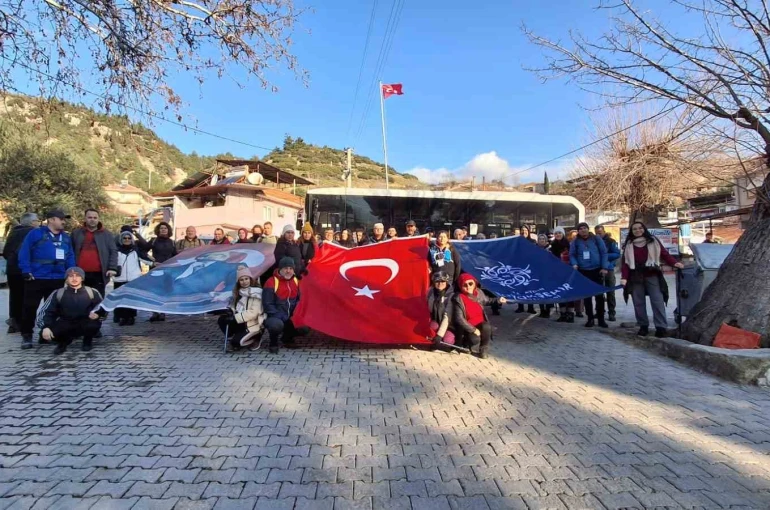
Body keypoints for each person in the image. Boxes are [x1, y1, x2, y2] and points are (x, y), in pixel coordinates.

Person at [18, 209, 76, 349]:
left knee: (54, 309)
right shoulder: (36, 233)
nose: (63, 221)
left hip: (57, 277)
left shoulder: (66, 238)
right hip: (37, 277)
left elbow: (70, 256)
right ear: (50, 220)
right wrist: (26, 270)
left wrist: (72, 273)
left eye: (64, 219)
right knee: (30, 307)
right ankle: (26, 335)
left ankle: (46, 335)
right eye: (60, 218)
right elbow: (24, 252)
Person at [621, 221, 683, 338]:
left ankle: (660, 327)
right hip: (635, 276)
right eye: (635, 229)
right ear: (631, 231)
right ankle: (643, 326)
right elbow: (625, 263)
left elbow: (664, 254)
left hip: (652, 274)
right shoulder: (629, 244)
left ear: (644, 229)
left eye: (640, 228)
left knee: (657, 301)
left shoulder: (653, 241)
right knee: (638, 302)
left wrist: (675, 263)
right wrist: (624, 278)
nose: (638, 230)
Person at [40, 267, 105, 354]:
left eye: (77, 276)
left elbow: (103, 307)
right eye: (71, 276)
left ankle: (87, 340)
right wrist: (45, 327)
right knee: (49, 333)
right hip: (66, 321)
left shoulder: (92, 292)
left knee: (92, 325)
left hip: (86, 322)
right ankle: (63, 342)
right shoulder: (58, 293)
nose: (74, 278)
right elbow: (46, 311)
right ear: (66, 279)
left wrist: (98, 314)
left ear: (82, 278)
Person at [452, 273, 506, 359]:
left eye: (470, 284)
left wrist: (498, 300)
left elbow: (487, 300)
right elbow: (459, 319)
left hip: (480, 323)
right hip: (468, 326)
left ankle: (484, 349)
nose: (468, 286)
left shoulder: (478, 293)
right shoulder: (458, 298)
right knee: (474, 340)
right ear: (460, 286)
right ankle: (466, 342)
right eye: (464, 285)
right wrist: (473, 330)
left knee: (486, 326)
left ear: (474, 283)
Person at [2, 212, 40, 334]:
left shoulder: (13, 232)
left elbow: (6, 251)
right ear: (31, 222)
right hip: (26, 270)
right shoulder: (33, 232)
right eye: (37, 220)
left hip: (12, 270)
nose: (38, 223)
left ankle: (14, 322)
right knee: (26, 296)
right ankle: (24, 324)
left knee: (14, 296)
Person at [71, 209, 118, 299]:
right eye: (90, 217)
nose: (92, 220)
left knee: (97, 299)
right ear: (85, 218)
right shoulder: (76, 233)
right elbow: (70, 251)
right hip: (79, 273)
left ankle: (97, 313)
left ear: (98, 219)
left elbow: (113, 251)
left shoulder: (107, 234)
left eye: (95, 218)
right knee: (79, 299)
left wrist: (112, 268)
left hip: (99, 273)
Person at [569, 222, 609, 328]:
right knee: (587, 297)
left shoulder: (596, 239)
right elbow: (572, 254)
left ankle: (601, 319)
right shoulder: (575, 241)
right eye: (580, 229)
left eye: (585, 228)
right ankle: (590, 318)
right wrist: (574, 264)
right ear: (578, 231)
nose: (583, 230)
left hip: (597, 270)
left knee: (599, 296)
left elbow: (604, 253)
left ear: (588, 229)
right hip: (583, 271)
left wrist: (604, 267)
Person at [136, 221, 177, 322]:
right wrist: (151, 261)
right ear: (158, 230)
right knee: (154, 292)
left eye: (165, 228)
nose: (163, 230)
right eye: (161, 228)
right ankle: (154, 312)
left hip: (168, 270)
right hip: (155, 269)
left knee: (164, 292)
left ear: (168, 230)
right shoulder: (154, 241)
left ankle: (162, 312)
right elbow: (143, 251)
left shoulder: (172, 242)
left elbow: (175, 256)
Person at [218, 266, 265, 350]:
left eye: (246, 279)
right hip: (240, 322)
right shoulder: (238, 292)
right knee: (222, 319)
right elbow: (234, 306)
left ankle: (257, 337)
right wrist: (230, 311)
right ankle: (234, 335)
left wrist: (235, 317)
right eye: (241, 280)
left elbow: (253, 313)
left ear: (250, 279)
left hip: (251, 324)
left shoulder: (257, 293)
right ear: (238, 282)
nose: (244, 282)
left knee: (236, 343)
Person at [113, 230, 153, 326]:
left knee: (131, 299)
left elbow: (144, 259)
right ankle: (122, 317)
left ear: (132, 239)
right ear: (121, 239)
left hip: (133, 279)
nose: (127, 240)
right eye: (125, 238)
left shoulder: (135, 250)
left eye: (129, 238)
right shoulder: (116, 251)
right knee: (120, 299)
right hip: (120, 279)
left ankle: (131, 317)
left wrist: (154, 263)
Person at [263, 257, 301, 354]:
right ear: (280, 269)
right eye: (285, 268)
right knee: (276, 325)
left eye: (291, 268)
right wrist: (282, 317)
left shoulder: (296, 281)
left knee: (304, 327)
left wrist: (296, 313)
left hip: (289, 315)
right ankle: (273, 342)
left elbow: (299, 300)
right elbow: (268, 304)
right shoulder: (271, 282)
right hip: (275, 315)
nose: (288, 271)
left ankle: (287, 339)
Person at [595, 225, 620, 321]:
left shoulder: (611, 241)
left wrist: (604, 256)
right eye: (597, 233)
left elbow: (617, 254)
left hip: (609, 269)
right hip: (597, 268)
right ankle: (599, 311)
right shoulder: (594, 242)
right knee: (598, 292)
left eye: (600, 233)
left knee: (610, 292)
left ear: (604, 232)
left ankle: (611, 312)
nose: (598, 234)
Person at [550, 228, 574, 323]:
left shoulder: (569, 244)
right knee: (560, 292)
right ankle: (563, 314)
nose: (558, 234)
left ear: (563, 234)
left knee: (569, 292)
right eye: (556, 233)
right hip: (557, 271)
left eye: (560, 233)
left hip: (568, 270)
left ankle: (570, 314)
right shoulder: (553, 245)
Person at [427, 271, 455, 347]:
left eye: (443, 281)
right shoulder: (430, 292)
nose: (440, 284)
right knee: (430, 329)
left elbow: (447, 317)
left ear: (447, 282)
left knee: (447, 342)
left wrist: (439, 335)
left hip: (449, 324)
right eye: (437, 281)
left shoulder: (451, 296)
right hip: (436, 321)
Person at [515, 225, 537, 314]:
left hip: (530, 267)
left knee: (530, 288)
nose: (524, 232)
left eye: (526, 230)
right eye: (522, 230)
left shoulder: (533, 242)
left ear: (529, 231)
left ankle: (530, 307)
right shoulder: (516, 242)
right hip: (519, 267)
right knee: (520, 287)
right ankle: (520, 307)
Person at [536, 233, 554, 319]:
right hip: (538, 273)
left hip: (548, 274)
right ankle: (542, 310)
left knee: (547, 293)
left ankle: (547, 310)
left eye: (543, 239)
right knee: (540, 292)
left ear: (546, 240)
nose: (542, 240)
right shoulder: (534, 249)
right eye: (540, 239)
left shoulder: (550, 249)